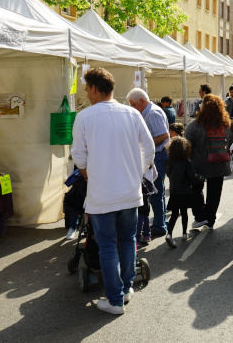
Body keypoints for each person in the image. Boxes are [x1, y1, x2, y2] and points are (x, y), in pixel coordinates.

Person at [71, 68, 155, 314]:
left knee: (107, 245)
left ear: (95, 89)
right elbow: (148, 148)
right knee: (128, 240)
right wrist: (136, 172)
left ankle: (116, 299)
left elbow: (79, 156)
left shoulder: (84, 117)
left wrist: (88, 175)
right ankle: (126, 288)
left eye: (87, 89)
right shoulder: (131, 113)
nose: (86, 93)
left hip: (102, 195)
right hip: (129, 191)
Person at [186, 94, 233, 230]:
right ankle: (210, 219)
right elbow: (232, 143)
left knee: (196, 190)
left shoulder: (195, 125)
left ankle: (200, 216)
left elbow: (186, 144)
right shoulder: (227, 124)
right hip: (220, 164)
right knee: (215, 192)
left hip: (199, 165)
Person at [127, 88, 170, 237]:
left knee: (155, 192)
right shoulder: (149, 112)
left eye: (133, 105)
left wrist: (145, 144)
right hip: (156, 155)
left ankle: (159, 225)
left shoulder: (152, 113)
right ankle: (160, 222)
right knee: (157, 192)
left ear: (141, 101)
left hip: (157, 155)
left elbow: (164, 135)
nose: (132, 108)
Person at [165, 136, 204, 248]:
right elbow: (192, 176)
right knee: (184, 213)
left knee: (174, 214)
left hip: (173, 191)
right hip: (185, 190)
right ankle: (184, 233)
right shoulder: (186, 162)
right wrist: (201, 178)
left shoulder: (169, 161)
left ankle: (169, 234)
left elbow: (168, 174)